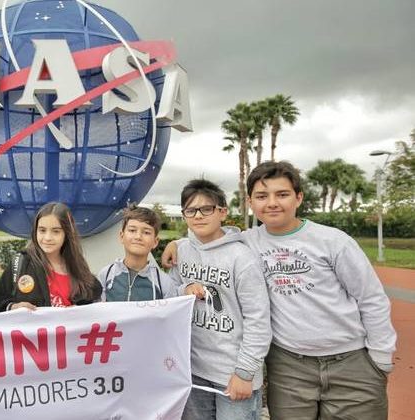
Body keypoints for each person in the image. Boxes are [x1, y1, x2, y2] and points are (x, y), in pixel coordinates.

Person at [162, 162, 397, 419]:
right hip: (288, 365)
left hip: (350, 360)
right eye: (262, 196)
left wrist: (381, 358)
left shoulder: (333, 241)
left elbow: (371, 298)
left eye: (282, 194)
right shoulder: (248, 240)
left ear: (298, 197)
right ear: (250, 201)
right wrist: (177, 242)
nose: (272, 203)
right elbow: (212, 239)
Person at [168, 179, 270, 420]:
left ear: (222, 212)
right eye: (190, 210)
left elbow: (258, 320)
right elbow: (169, 294)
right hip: (193, 370)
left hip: (233, 373)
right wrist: (185, 288)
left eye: (207, 209)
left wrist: (245, 373)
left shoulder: (242, 258)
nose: (198, 216)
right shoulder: (182, 251)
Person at [0, 202, 102, 312]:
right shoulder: (21, 262)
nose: (48, 237)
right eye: (42, 230)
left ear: (67, 233)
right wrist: (13, 307)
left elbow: (93, 297)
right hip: (32, 328)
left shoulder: (77, 265)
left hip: (70, 328)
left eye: (56, 231)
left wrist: (79, 310)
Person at [98, 204, 174, 302]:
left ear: (155, 242)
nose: (138, 237)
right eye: (132, 230)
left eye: (146, 232)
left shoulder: (164, 283)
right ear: (121, 236)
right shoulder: (105, 275)